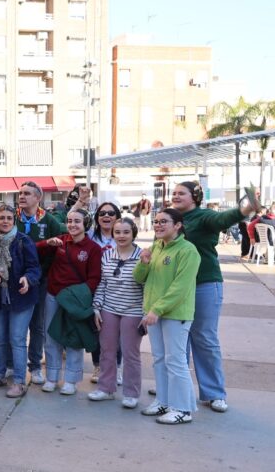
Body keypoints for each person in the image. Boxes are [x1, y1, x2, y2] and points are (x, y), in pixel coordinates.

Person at [171, 181, 256, 413]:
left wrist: (244, 210)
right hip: (176, 286)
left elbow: (223, 220)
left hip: (204, 283)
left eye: (181, 193)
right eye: (174, 193)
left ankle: (214, 393)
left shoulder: (204, 216)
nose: (176, 196)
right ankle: (178, 386)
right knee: (178, 339)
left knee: (204, 338)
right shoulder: (171, 217)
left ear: (195, 197)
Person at [134, 208, 199, 424]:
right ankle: (163, 401)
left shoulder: (188, 251)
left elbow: (180, 288)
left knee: (176, 361)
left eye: (164, 221)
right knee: (160, 360)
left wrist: (157, 309)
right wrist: (143, 262)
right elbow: (139, 278)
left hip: (174, 314)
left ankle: (182, 409)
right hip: (154, 314)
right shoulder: (156, 247)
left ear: (178, 225)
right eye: (156, 221)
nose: (158, 225)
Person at [36, 209, 102, 396]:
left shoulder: (93, 248)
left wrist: (79, 296)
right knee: (51, 338)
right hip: (53, 295)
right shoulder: (60, 240)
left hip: (75, 300)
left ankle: (72, 380)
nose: (73, 224)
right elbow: (34, 249)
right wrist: (47, 242)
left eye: (77, 221)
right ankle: (51, 377)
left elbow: (94, 278)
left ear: (85, 224)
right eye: (70, 221)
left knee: (74, 340)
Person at [0, 204, 40, 398]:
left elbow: (34, 268)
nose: (5, 221)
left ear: (13, 221)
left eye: (9, 218)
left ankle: (19, 381)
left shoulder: (24, 241)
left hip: (21, 298)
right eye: (1, 218)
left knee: (17, 339)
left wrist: (27, 279)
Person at [89, 218, 144, 407]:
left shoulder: (142, 256)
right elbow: (102, 283)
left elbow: (147, 286)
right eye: (117, 232)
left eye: (126, 232)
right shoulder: (106, 255)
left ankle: (131, 393)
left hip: (133, 309)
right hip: (109, 308)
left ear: (133, 233)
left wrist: (146, 312)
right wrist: (96, 307)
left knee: (130, 353)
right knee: (107, 350)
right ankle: (106, 388)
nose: (121, 236)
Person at [16, 180, 64, 385]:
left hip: (40, 280)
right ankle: (11, 364)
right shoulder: (11, 217)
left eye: (27, 193)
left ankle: (35, 365)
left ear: (38, 197)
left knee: (37, 325)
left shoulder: (49, 220)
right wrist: (43, 245)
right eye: (20, 193)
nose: (22, 196)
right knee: (15, 324)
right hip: (15, 280)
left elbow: (61, 245)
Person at [87, 201, 121, 384]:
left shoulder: (123, 235)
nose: (106, 216)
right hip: (94, 286)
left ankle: (117, 367)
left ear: (117, 217)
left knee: (118, 331)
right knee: (97, 328)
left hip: (118, 289)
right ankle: (98, 365)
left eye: (111, 213)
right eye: (102, 213)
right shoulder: (90, 236)